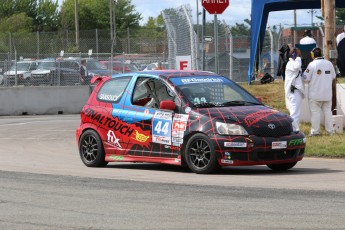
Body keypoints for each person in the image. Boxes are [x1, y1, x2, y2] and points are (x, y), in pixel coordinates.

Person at [303, 47, 336, 136]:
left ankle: (315, 132)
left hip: (315, 95)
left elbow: (305, 78)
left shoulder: (312, 65)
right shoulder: (329, 63)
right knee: (328, 113)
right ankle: (330, 131)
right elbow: (333, 76)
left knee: (315, 113)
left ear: (313, 55)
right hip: (327, 94)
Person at [284, 48, 305, 131]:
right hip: (294, 91)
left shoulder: (293, 63)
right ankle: (293, 130)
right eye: (298, 54)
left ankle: (295, 129)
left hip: (297, 91)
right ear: (294, 55)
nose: (300, 56)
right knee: (294, 112)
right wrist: (298, 58)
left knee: (296, 112)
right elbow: (296, 67)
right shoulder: (291, 63)